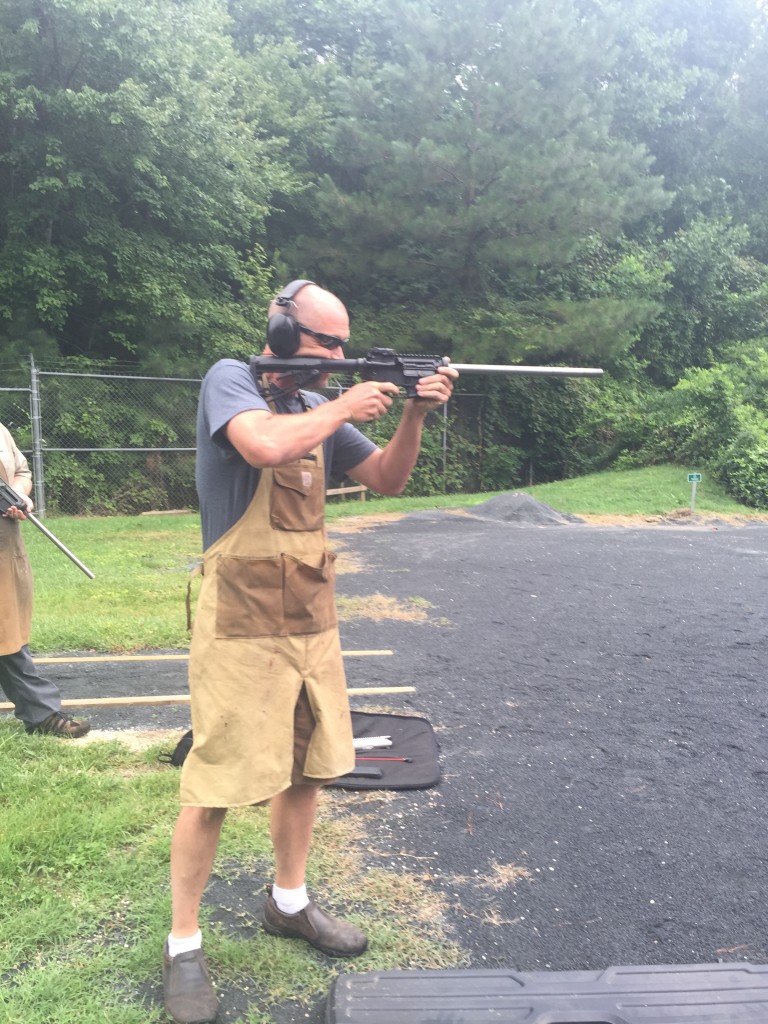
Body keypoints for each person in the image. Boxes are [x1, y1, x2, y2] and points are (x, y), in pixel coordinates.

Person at [162, 281, 457, 1024]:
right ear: (283, 333)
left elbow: (387, 477)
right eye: (327, 345)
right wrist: (342, 404)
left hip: (310, 625)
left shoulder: (313, 408)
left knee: (308, 767)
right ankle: (183, 946)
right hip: (239, 624)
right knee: (217, 782)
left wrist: (414, 412)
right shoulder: (232, 379)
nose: (338, 358)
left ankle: (289, 903)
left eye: (343, 345)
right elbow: (260, 444)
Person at [0, 422, 90, 738]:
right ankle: (41, 713)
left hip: (4, 548)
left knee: (7, 634)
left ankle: (41, 714)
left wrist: (17, 496)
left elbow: (21, 471)